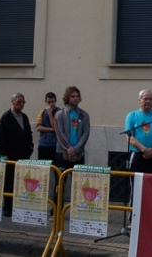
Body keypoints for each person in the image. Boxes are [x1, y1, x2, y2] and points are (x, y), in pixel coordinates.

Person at [52, 86, 90, 217]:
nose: (75, 99)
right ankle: (56, 212)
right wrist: (69, 149)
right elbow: (59, 133)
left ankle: (78, 213)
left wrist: (76, 149)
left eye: (77, 96)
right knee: (60, 184)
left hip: (79, 154)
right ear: (67, 98)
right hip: (62, 154)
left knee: (79, 184)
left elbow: (86, 133)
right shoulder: (60, 114)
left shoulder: (84, 115)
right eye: (73, 96)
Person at [0, 93, 34, 217]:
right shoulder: (6, 117)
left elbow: (29, 133)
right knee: (9, 182)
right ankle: (7, 207)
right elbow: (1, 137)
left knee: (21, 181)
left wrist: (30, 147)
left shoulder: (24, 117)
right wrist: (5, 154)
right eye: (19, 102)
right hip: (10, 156)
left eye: (23, 102)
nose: (22, 104)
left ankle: (18, 206)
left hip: (23, 155)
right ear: (13, 102)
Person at [36, 92, 60, 161]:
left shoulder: (59, 112)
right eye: (49, 102)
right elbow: (38, 128)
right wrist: (52, 130)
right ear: (45, 102)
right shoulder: (42, 112)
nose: (51, 104)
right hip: (43, 144)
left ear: (55, 101)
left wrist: (50, 114)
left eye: (53, 102)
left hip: (55, 145)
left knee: (57, 169)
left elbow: (55, 126)